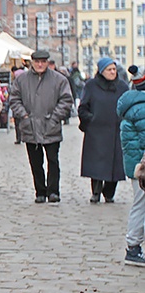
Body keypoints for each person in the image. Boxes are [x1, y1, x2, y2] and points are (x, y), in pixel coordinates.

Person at [9, 49, 74, 203]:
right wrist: (24, 116)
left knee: (53, 160)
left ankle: (53, 191)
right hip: (30, 126)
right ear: (32, 62)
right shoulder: (22, 80)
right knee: (35, 162)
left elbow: (66, 100)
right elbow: (14, 99)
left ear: (47, 63)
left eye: (43, 62)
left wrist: (55, 117)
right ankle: (40, 191)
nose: (40, 64)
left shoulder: (59, 79)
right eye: (37, 62)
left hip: (50, 125)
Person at [78, 58, 127, 203]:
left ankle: (109, 192)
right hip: (96, 131)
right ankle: (96, 192)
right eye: (109, 69)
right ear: (101, 71)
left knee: (115, 164)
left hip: (116, 130)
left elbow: (128, 106)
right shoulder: (91, 86)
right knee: (96, 163)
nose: (113, 72)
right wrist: (90, 119)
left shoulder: (122, 86)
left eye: (114, 69)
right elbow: (83, 107)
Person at [119, 70, 145, 266]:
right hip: (142, 166)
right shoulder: (141, 108)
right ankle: (133, 247)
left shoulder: (133, 105)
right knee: (141, 205)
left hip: (135, 164)